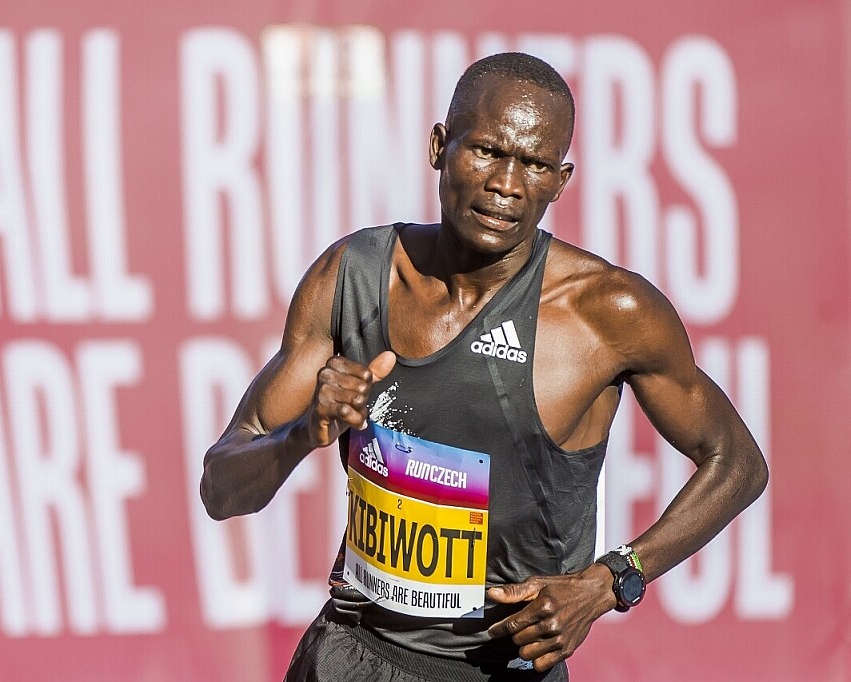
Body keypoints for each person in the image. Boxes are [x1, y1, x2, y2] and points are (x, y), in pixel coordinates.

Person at [199, 52, 767, 681]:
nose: (507, 185)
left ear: (561, 180)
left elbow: (738, 464)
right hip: (349, 654)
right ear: (439, 147)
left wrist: (611, 580)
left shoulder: (606, 312)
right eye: (488, 152)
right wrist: (303, 432)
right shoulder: (354, 276)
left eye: (535, 165)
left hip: (502, 670)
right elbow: (221, 490)